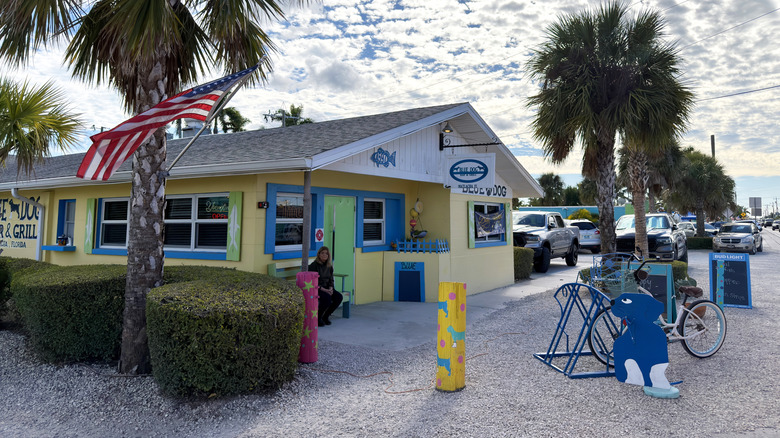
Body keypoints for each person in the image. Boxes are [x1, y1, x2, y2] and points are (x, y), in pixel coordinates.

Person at [308, 246, 343, 327]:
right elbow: (313, 281)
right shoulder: (314, 265)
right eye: (322, 253)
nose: (324, 255)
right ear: (319, 254)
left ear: (328, 255)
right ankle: (318, 318)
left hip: (328, 288)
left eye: (326, 253)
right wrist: (324, 290)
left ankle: (326, 316)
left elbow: (331, 279)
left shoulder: (329, 266)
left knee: (339, 297)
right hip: (317, 288)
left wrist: (331, 288)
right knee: (327, 299)